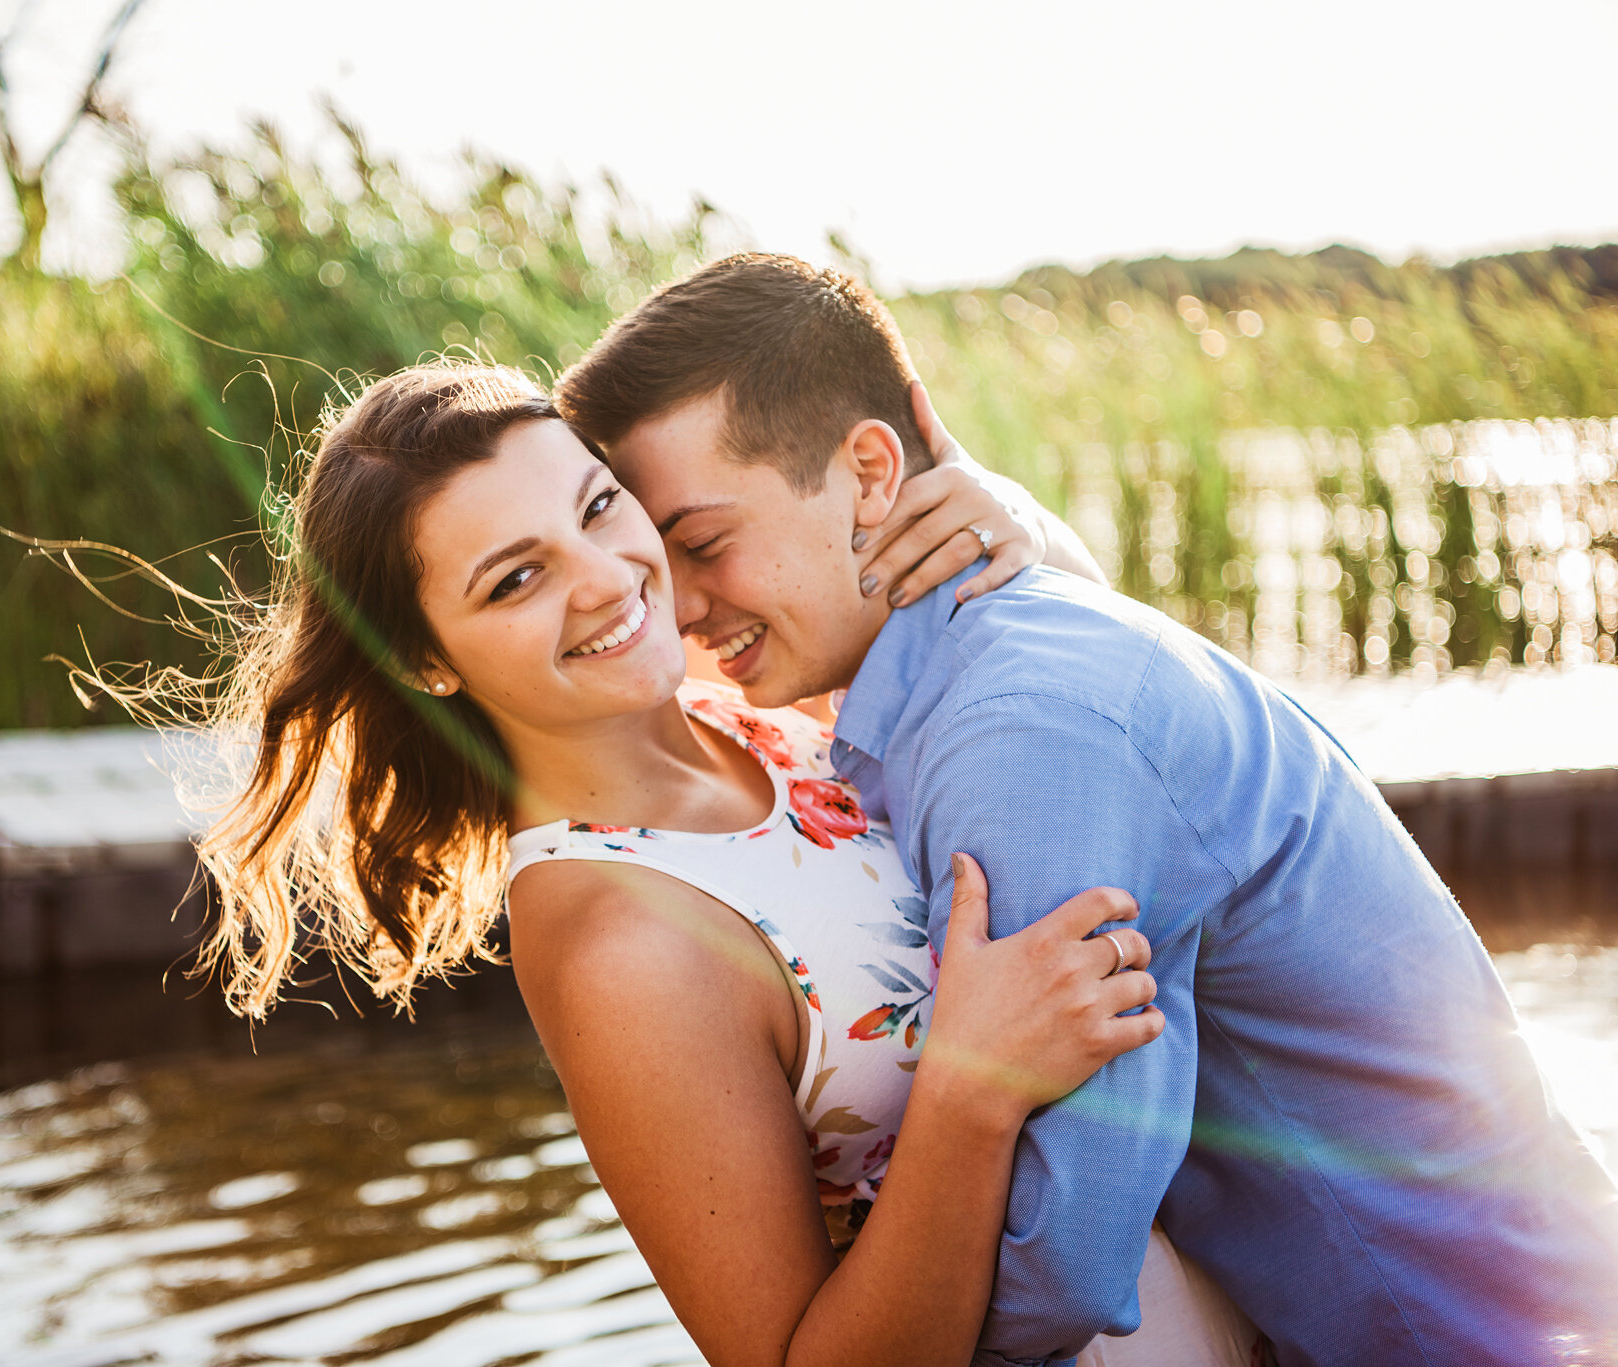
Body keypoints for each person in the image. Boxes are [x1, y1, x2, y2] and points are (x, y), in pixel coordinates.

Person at [553, 252, 1618, 1366]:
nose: (671, 605)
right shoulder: (1006, 646)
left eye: (704, 542)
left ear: (871, 470)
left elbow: (1066, 1244)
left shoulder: (1015, 730)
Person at [180, 361, 1260, 1365]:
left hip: (1211, 1295)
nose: (607, 579)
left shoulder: (749, 687)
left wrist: (1014, 527)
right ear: (421, 658)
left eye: (599, 506)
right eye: (516, 578)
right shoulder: (620, 938)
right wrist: (969, 1093)